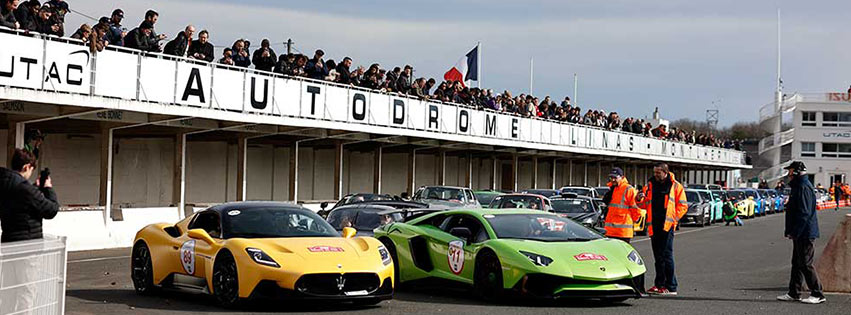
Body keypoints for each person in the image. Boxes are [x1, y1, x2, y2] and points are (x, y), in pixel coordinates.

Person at [777, 161, 825, 304]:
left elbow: (804, 213)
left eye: (790, 170)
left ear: (797, 171)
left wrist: (795, 232)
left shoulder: (803, 187)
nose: (789, 173)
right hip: (801, 231)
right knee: (797, 263)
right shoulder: (799, 186)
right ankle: (794, 293)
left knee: (805, 263)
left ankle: (817, 293)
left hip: (805, 232)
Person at [636, 162, 687, 296]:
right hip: (654, 227)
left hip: (667, 226)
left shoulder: (676, 186)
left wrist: (673, 219)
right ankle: (659, 285)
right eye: (655, 172)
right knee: (658, 257)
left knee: (666, 256)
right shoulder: (650, 185)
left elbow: (683, 206)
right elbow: (642, 205)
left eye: (658, 172)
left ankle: (670, 286)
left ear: (665, 172)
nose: (656, 175)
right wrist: (638, 199)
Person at [0, 149, 60, 242]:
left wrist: (34, 188)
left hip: (8, 240)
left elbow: (22, 201)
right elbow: (51, 210)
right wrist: (48, 188)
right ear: (26, 167)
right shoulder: (25, 189)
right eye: (31, 170)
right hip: (27, 243)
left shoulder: (5, 182)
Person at [603, 167, 641, 243]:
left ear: (622, 177)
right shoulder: (612, 189)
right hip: (610, 231)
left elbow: (636, 209)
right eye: (611, 177)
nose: (612, 180)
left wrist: (632, 222)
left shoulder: (629, 189)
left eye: (615, 177)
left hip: (623, 232)